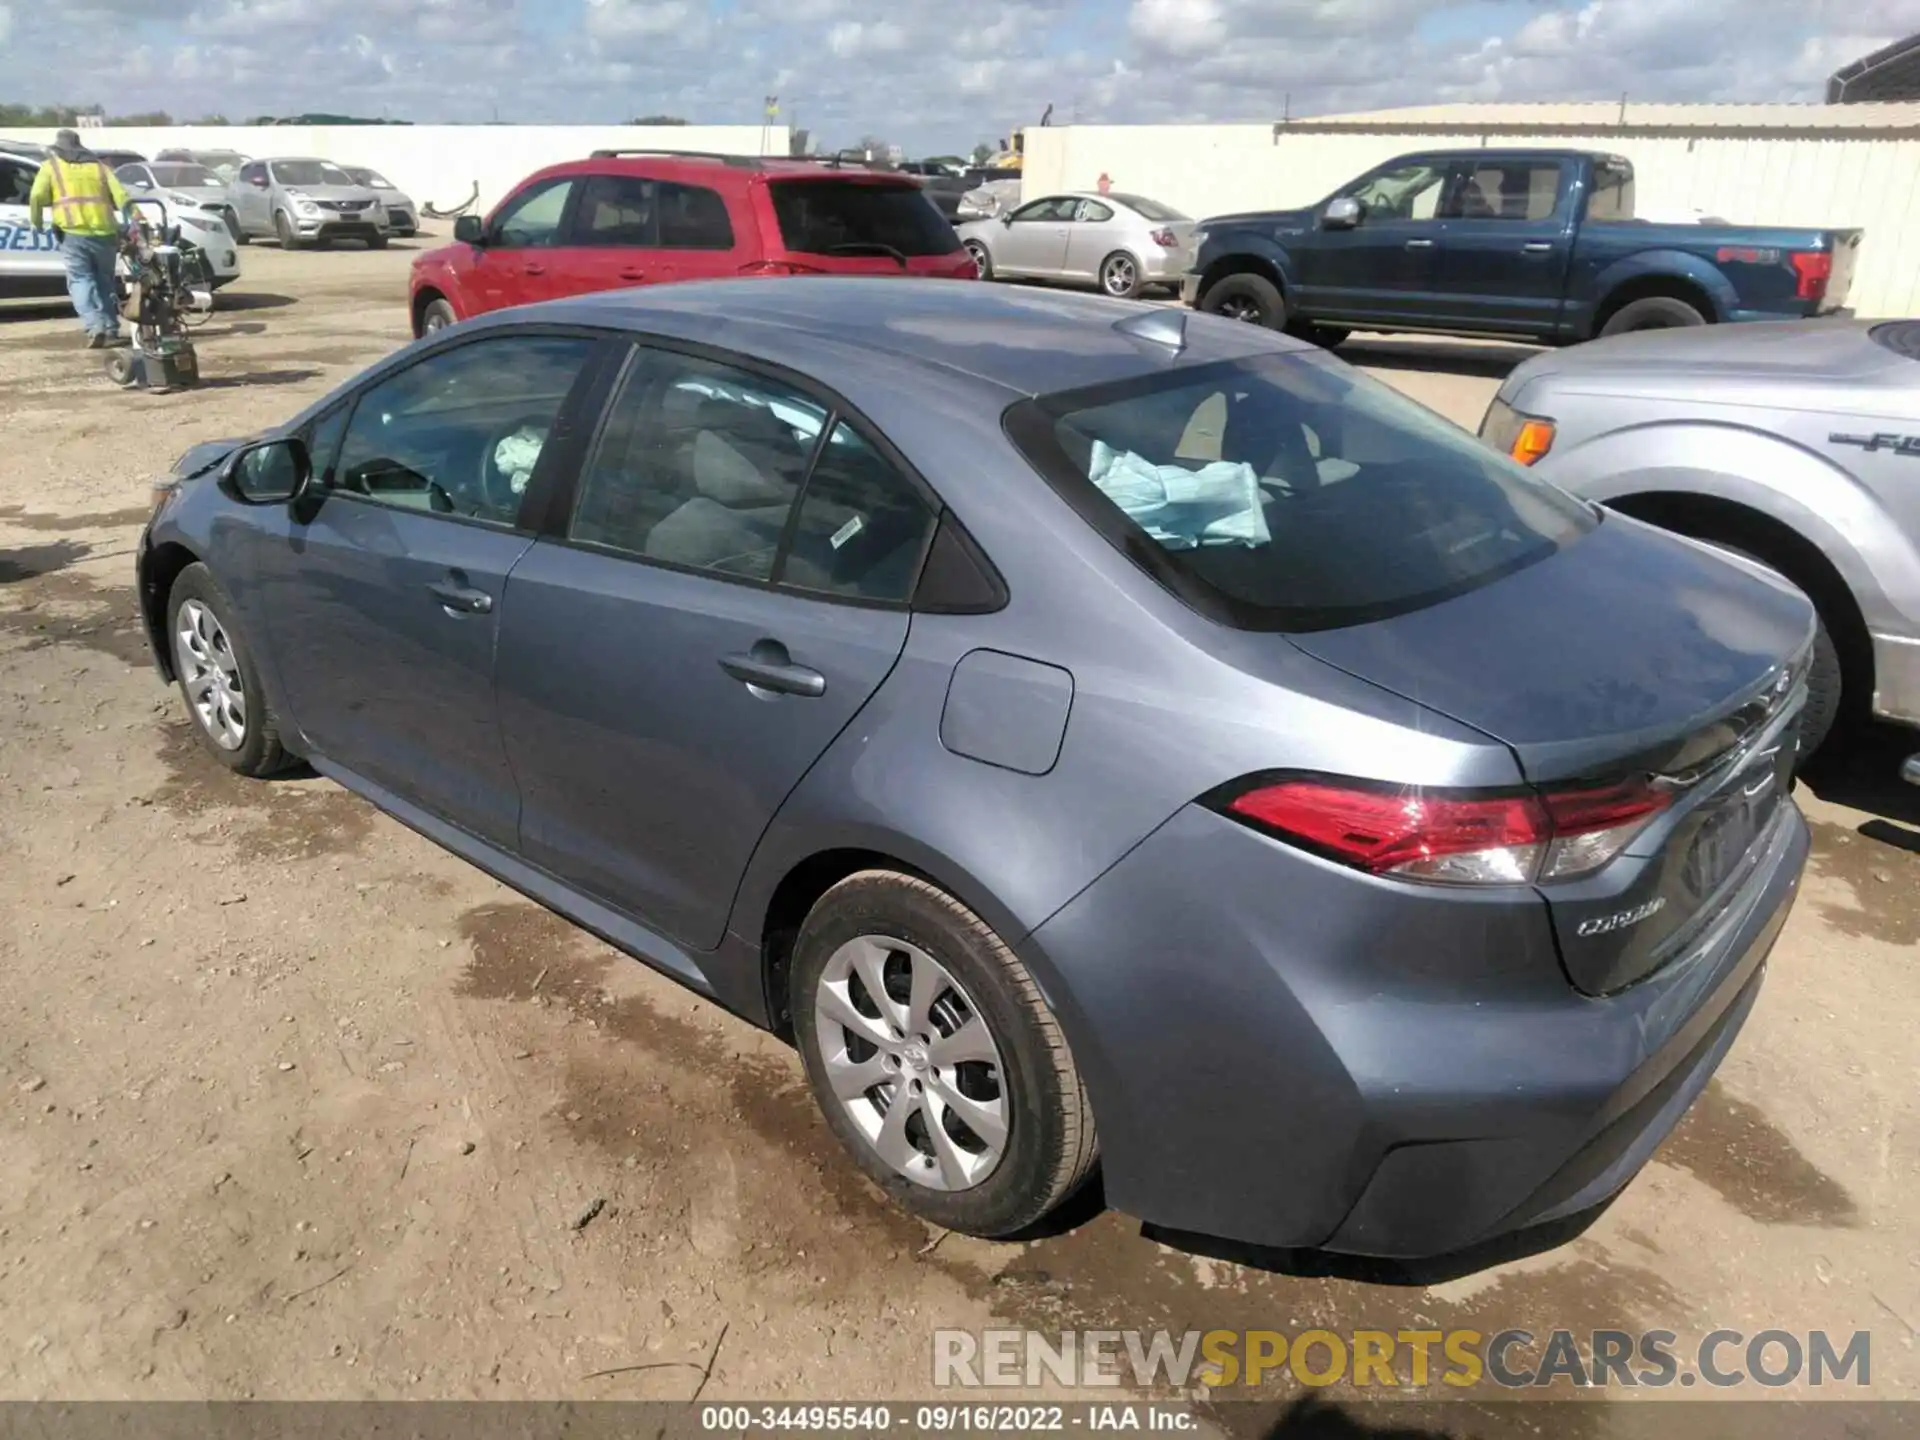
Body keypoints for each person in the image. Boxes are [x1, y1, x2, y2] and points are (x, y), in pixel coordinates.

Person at [28, 130, 132, 349]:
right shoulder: (101, 168)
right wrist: (136, 220)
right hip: (105, 233)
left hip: (73, 233)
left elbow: (37, 196)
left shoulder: (52, 167)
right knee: (104, 281)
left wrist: (36, 222)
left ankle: (95, 326)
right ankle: (111, 328)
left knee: (80, 280)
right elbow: (122, 196)